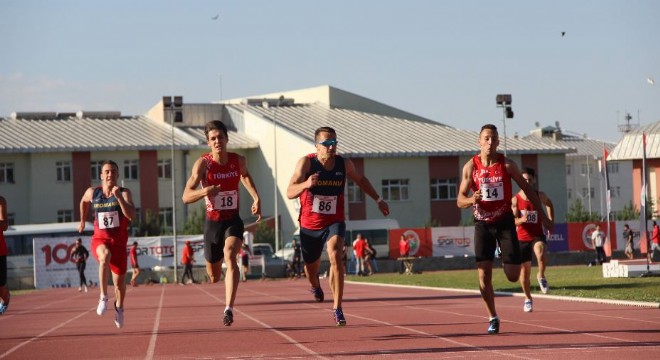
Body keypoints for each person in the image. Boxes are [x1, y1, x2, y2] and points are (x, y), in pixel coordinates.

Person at [286, 126, 390, 326]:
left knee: (335, 253)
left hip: (334, 220)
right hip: (309, 224)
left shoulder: (344, 163)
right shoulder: (307, 163)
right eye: (327, 143)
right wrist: (306, 184)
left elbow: (360, 180)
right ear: (317, 146)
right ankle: (315, 285)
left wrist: (379, 199)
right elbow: (290, 191)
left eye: (334, 142)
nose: (331, 147)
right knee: (311, 268)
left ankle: (337, 308)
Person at [457, 124, 552, 335]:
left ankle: (503, 251)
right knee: (483, 276)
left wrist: (543, 216)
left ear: (498, 142)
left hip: (505, 223)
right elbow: (459, 200)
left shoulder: (507, 165)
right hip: (482, 224)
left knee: (511, 275)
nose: (490, 142)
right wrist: (473, 198)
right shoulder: (470, 167)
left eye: (494, 139)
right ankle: (492, 317)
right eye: (486, 139)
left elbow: (527, 189)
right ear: (479, 142)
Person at [182, 120, 261, 327]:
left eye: (221, 137)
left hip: (233, 220)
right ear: (209, 142)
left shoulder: (238, 160)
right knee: (214, 275)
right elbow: (185, 196)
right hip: (213, 224)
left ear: (227, 139)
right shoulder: (203, 164)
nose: (218, 141)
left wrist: (255, 197)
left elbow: (245, 176)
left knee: (231, 255)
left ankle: (228, 308)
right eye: (213, 139)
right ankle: (218, 279)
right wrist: (205, 191)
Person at [78, 160, 136, 329]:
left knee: (119, 284)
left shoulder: (124, 193)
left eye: (113, 172)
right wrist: (82, 221)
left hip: (118, 243)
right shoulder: (93, 192)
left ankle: (119, 307)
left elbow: (131, 215)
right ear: (102, 175)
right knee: (104, 257)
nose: (110, 174)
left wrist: (118, 197)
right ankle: (103, 296)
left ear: (117, 175)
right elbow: (83, 201)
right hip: (100, 240)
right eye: (107, 172)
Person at [511, 167, 555, 313]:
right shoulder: (515, 200)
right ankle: (528, 298)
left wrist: (549, 223)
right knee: (524, 273)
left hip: (537, 235)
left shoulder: (539, 195)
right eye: (524, 180)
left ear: (534, 180)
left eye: (530, 180)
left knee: (541, 251)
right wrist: (521, 219)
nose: (527, 182)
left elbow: (550, 205)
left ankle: (541, 275)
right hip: (522, 238)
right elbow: (512, 222)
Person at [0, 196, 10, 315]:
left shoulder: (1, 201)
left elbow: (5, 225)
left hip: (0, 251)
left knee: (1, 290)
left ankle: (6, 297)